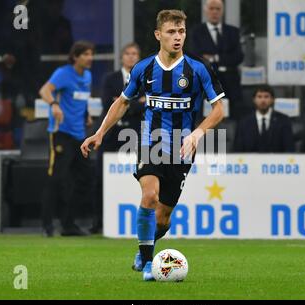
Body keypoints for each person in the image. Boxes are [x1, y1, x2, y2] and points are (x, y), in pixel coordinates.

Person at [80, 10, 225, 281]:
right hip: (151, 142)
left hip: (183, 149)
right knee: (149, 197)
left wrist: (197, 133)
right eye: (171, 32)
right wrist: (99, 133)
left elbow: (219, 110)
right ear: (158, 35)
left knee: (163, 218)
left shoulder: (198, 69)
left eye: (181, 32)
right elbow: (122, 102)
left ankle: (145, 249)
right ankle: (148, 263)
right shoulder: (144, 68)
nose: (177, 37)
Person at [39, 41, 94, 237]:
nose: (90, 58)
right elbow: (44, 90)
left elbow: (82, 99)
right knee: (56, 179)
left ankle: (68, 225)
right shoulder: (63, 73)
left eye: (91, 54)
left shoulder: (88, 76)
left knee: (85, 178)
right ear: (75, 57)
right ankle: (47, 226)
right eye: (86, 54)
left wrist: (86, 113)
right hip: (60, 133)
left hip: (80, 136)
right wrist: (54, 104)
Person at [89, 43, 144, 234]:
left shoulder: (145, 78)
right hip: (110, 136)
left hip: (135, 135)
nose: (131, 57)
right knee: (100, 179)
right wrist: (135, 103)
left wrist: (123, 103)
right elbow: (107, 104)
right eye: (127, 54)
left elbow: (145, 105)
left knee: (138, 177)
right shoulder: (110, 78)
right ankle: (99, 222)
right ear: (122, 57)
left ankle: (133, 221)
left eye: (134, 54)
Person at [190, 0, 244, 118]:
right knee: (206, 119)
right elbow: (195, 56)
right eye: (211, 8)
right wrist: (225, 58)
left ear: (222, 11)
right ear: (205, 11)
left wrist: (214, 57)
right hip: (207, 83)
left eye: (218, 9)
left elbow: (238, 56)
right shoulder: (196, 32)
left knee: (234, 118)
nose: (214, 12)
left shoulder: (233, 32)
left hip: (231, 84)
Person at [233, 85, 295, 153]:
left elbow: (289, 149)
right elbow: (238, 150)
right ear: (254, 100)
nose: (263, 100)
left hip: (277, 162)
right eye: (259, 97)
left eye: (266, 97)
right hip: (250, 162)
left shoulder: (283, 120)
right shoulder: (244, 122)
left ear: (272, 100)